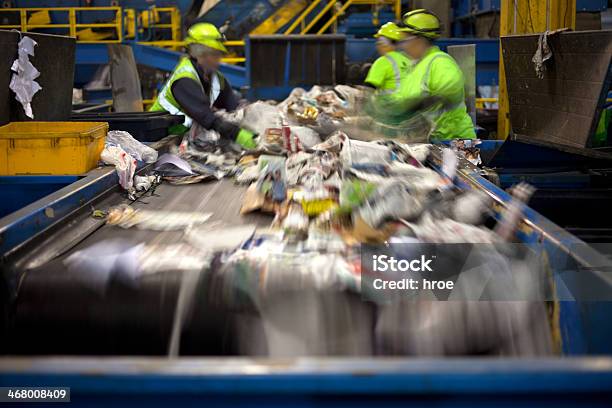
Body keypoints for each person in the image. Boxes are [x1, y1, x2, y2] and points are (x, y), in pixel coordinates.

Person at [150, 23, 256, 148]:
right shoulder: (184, 79)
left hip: (182, 139)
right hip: (159, 140)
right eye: (215, 54)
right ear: (201, 54)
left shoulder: (215, 78)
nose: (219, 59)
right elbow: (207, 117)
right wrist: (239, 135)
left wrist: (253, 121)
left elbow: (233, 106)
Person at [381, 9, 475, 140]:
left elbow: (449, 93)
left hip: (455, 144)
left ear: (419, 40)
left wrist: (417, 105)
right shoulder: (414, 67)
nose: (401, 46)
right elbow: (400, 101)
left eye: (404, 39)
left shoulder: (440, 62)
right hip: (431, 142)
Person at [364, 22, 412, 93]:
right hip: (410, 103)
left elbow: (369, 89)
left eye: (380, 42)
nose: (378, 45)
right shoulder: (408, 59)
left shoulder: (383, 61)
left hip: (389, 103)